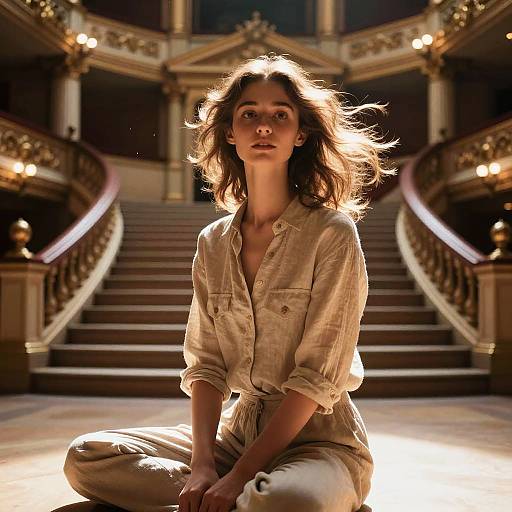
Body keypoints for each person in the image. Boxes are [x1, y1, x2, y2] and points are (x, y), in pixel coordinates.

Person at [63, 53, 398, 512]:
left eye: (280, 115)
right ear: (230, 132)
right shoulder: (214, 242)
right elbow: (206, 365)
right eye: (250, 115)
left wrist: (238, 475)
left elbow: (319, 376)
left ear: (300, 134)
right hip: (235, 433)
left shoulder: (332, 234)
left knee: (285, 502)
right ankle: (222, 498)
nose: (264, 126)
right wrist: (203, 465)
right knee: (87, 457)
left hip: (319, 440)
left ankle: (253, 497)